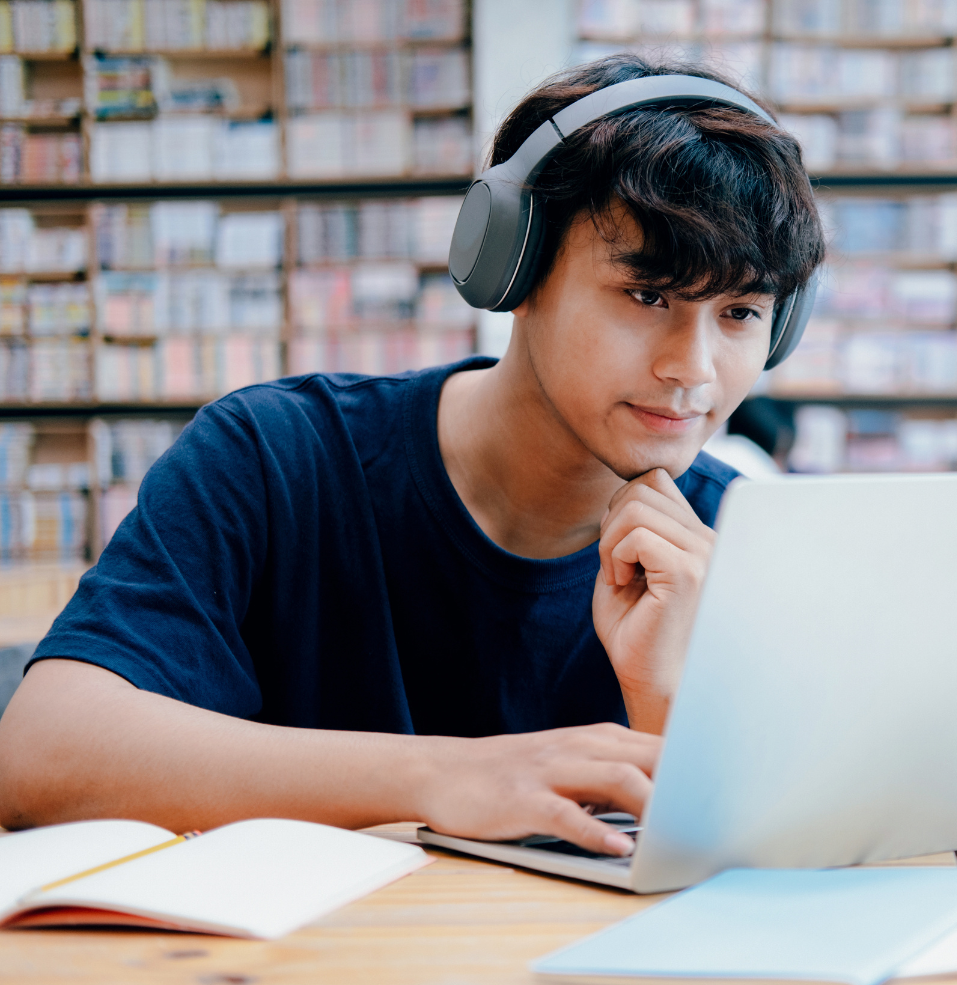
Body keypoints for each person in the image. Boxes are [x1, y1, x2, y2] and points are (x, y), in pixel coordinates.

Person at [0, 57, 824, 855]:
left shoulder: (740, 543)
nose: (694, 367)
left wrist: (666, 698)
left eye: (742, 313)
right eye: (648, 296)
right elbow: (41, 754)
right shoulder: (278, 460)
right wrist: (443, 775)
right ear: (513, 266)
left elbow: (785, 873)